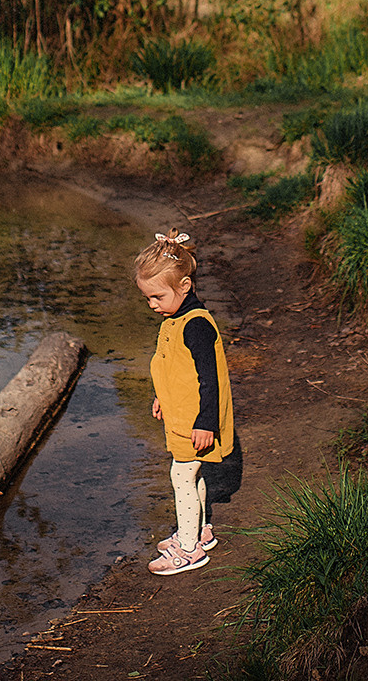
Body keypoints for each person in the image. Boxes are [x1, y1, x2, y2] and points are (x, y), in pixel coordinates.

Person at [136, 230, 236, 575]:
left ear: (185, 286)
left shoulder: (195, 326)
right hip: (182, 415)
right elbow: (173, 367)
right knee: (194, 473)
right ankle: (199, 530)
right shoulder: (174, 317)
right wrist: (161, 397)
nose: (152, 305)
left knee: (181, 475)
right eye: (147, 298)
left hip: (196, 420)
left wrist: (206, 422)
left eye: (157, 296)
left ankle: (190, 548)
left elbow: (210, 380)